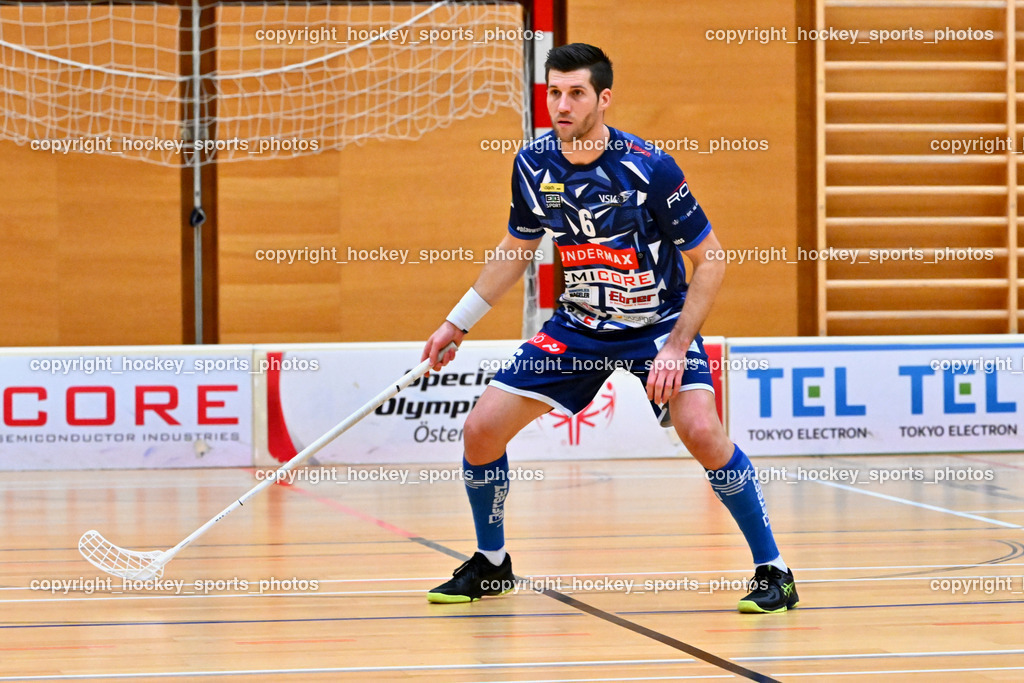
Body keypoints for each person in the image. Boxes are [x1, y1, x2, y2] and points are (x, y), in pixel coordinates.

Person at [420, 43, 798, 614]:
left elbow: (712, 259)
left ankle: (775, 571)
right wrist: (457, 322)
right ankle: (492, 565)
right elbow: (517, 248)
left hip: (658, 326)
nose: (562, 105)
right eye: (554, 92)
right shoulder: (532, 164)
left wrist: (675, 348)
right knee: (481, 431)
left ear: (604, 98)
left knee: (701, 432)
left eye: (575, 93)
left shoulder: (649, 167)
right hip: (580, 326)